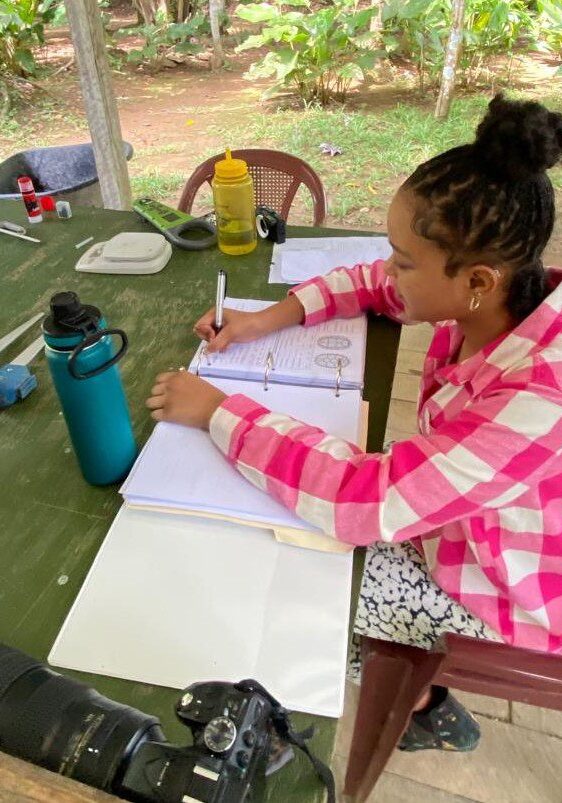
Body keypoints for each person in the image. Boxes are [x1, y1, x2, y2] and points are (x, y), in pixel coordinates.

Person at [147, 95, 562, 752]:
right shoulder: (506, 298)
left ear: (477, 279)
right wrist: (267, 319)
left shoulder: (541, 395)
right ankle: (423, 696)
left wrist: (217, 409)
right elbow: (376, 284)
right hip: (464, 518)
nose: (390, 270)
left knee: (304, 598)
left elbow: (360, 501)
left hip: (506, 586)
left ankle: (418, 699)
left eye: (404, 258)